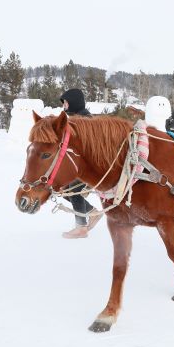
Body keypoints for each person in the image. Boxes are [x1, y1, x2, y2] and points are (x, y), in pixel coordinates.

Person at [59, 88, 103, 239]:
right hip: (80, 164)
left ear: (73, 103)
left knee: (73, 191)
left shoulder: (84, 119)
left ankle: (81, 227)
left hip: (90, 165)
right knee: (65, 190)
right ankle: (93, 213)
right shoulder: (76, 118)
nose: (63, 105)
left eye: (65, 102)